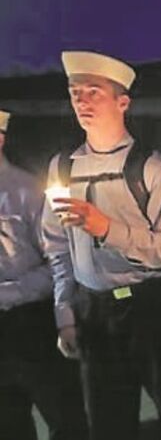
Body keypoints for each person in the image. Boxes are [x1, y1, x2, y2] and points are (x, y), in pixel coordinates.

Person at [40, 51, 161, 440]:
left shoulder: (152, 167)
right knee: (107, 423)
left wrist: (107, 228)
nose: (82, 101)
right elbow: (57, 247)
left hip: (152, 307)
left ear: (122, 101)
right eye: (75, 92)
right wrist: (65, 312)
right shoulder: (63, 169)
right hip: (95, 312)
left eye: (94, 91)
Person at [0, 109, 88, 440]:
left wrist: (64, 318)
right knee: (9, 423)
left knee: (64, 417)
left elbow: (58, 261)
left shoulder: (26, 191)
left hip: (31, 321)